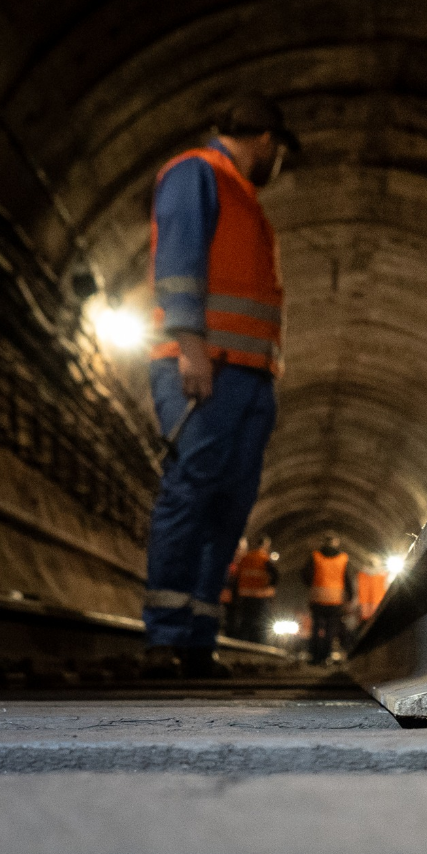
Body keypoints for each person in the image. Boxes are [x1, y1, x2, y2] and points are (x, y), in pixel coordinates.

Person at [140, 94, 299, 679]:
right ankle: (164, 634)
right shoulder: (196, 173)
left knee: (230, 505)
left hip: (250, 377)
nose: (278, 160)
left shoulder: (240, 193)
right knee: (191, 490)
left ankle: (198, 637)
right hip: (206, 364)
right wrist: (190, 347)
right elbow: (178, 262)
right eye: (278, 149)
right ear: (265, 139)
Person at [303, 535, 356, 663]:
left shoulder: (315, 556)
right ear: (336, 543)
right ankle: (326, 656)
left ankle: (315, 657)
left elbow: (305, 574)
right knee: (330, 630)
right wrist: (350, 595)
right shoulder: (342, 558)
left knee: (316, 628)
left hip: (317, 598)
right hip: (335, 600)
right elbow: (346, 578)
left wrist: (312, 584)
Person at [230, 536, 278, 643]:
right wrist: (270, 590)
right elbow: (275, 576)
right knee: (259, 620)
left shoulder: (245, 558)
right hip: (259, 595)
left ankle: (241, 640)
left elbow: (237, 576)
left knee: (245, 619)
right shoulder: (265, 559)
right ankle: (257, 641)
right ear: (266, 545)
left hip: (244, 594)